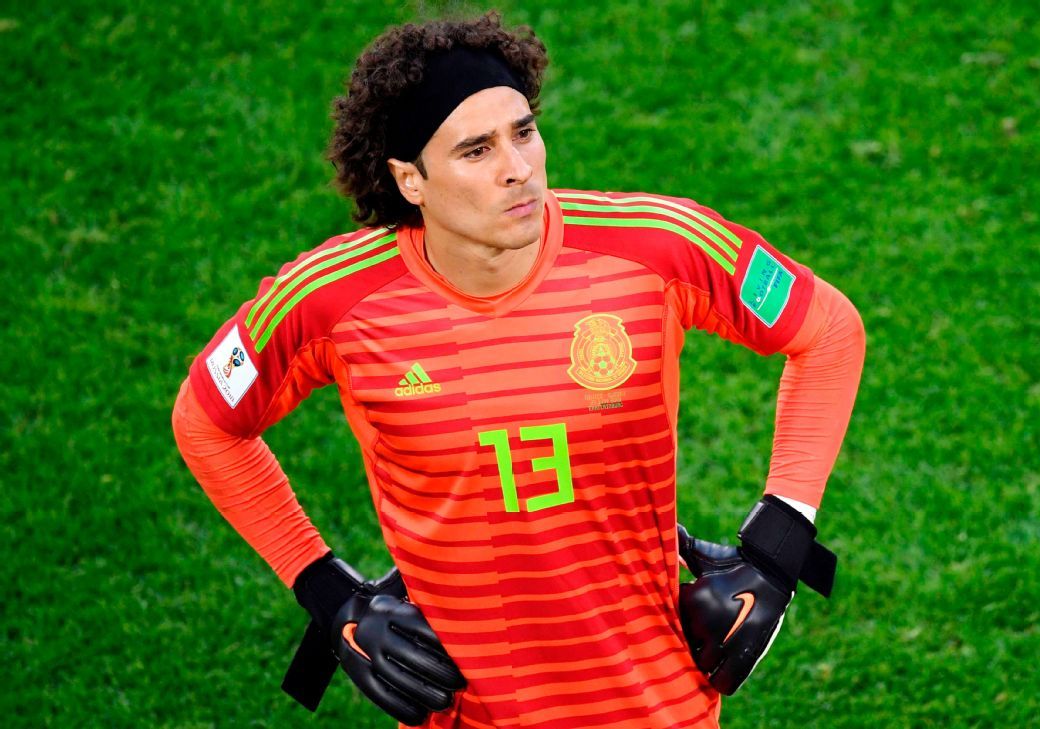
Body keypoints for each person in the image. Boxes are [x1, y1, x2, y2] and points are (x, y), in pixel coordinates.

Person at [173, 11, 864, 729]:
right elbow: (206, 421)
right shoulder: (330, 300)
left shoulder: (655, 248)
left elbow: (829, 331)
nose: (519, 168)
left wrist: (780, 543)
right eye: (476, 150)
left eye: (524, 131)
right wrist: (325, 589)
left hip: (659, 706)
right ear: (410, 180)